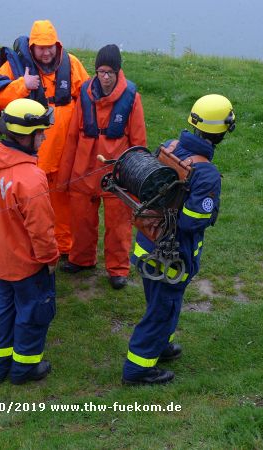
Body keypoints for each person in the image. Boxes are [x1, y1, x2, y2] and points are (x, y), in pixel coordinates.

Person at [122, 94, 236, 385]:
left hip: (147, 243)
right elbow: (192, 221)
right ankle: (138, 368)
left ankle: (161, 345)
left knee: (161, 302)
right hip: (171, 256)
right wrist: (210, 212)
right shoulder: (206, 172)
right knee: (163, 309)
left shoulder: (170, 147)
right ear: (222, 131)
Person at [0, 98, 59, 384]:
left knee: (2, 313)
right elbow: (42, 229)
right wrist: (49, 260)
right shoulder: (31, 178)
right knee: (32, 317)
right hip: (27, 264)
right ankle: (24, 369)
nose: (44, 137)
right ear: (25, 136)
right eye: (40, 132)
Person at [0, 20, 89, 256]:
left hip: (63, 151)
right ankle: (27, 245)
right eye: (41, 47)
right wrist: (23, 86)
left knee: (62, 200)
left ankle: (63, 247)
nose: (46, 52)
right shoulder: (14, 67)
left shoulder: (72, 64)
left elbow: (87, 96)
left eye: (50, 47)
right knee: (30, 203)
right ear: (32, 46)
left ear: (57, 45)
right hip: (29, 154)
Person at [56, 44, 147, 290]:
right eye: (101, 71)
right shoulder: (84, 93)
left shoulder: (131, 97)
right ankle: (81, 259)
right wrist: (64, 178)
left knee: (118, 224)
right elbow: (73, 137)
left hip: (117, 175)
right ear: (96, 72)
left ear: (118, 72)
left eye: (110, 72)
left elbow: (138, 143)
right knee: (80, 220)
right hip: (83, 171)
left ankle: (117, 269)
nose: (105, 77)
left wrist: (138, 180)